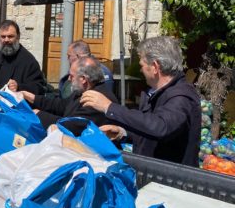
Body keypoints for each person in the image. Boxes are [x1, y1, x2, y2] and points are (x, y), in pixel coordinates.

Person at [80, 36, 201, 167]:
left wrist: (109, 107)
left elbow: (161, 127)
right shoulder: (156, 92)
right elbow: (148, 127)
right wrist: (123, 133)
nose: (140, 70)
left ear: (155, 67)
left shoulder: (181, 96)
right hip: (152, 171)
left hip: (171, 176)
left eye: (142, 65)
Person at [21, 56, 117, 135]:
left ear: (83, 79)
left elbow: (72, 125)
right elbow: (61, 105)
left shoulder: (97, 99)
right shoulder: (83, 90)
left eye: (71, 76)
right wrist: (32, 98)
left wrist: (39, 115)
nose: (69, 79)